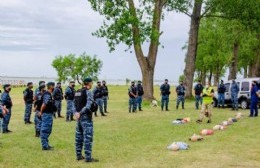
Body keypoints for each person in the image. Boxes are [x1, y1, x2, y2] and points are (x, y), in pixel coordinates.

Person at [74, 77, 99, 162]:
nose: (92, 84)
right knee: (88, 137)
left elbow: (74, 105)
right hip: (85, 118)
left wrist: (76, 113)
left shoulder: (77, 92)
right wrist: (80, 113)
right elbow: (88, 105)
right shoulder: (88, 92)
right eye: (91, 83)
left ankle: (78, 155)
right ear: (89, 83)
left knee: (79, 137)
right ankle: (88, 158)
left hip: (78, 118)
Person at [39, 82, 56, 151]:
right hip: (46, 114)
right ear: (51, 86)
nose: (54, 87)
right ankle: (44, 146)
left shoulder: (48, 94)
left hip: (48, 114)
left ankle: (46, 144)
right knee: (45, 130)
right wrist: (41, 112)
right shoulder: (47, 94)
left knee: (48, 130)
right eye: (53, 86)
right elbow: (44, 104)